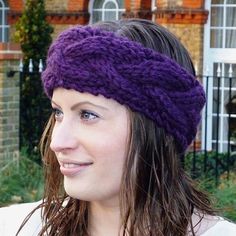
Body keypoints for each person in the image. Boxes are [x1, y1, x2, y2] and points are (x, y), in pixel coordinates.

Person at [0, 18, 236, 236]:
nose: (57, 142)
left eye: (88, 114)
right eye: (58, 112)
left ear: (156, 129)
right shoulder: (13, 227)